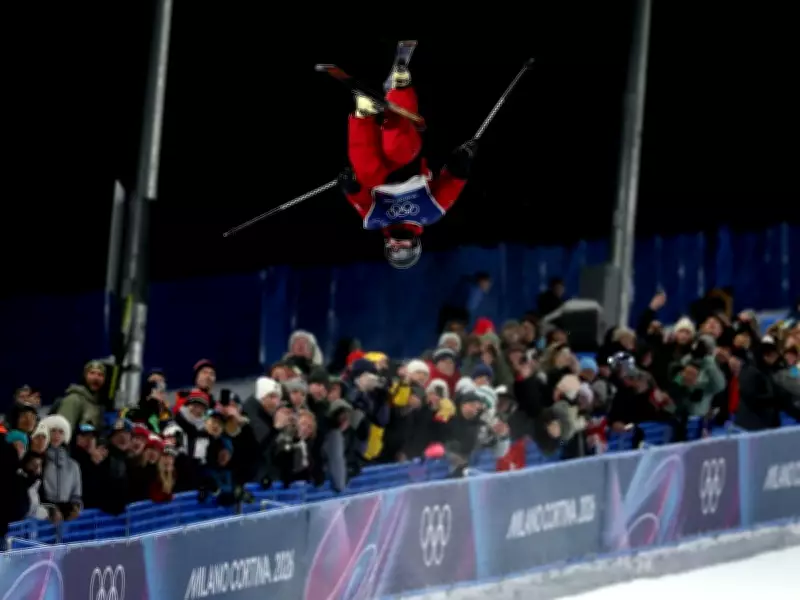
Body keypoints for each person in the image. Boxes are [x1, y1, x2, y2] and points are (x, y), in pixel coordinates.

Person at [338, 58, 477, 269]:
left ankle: (364, 111)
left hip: (380, 174)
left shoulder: (375, 219)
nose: (398, 244)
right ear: (414, 243)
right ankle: (400, 88)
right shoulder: (430, 212)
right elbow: (452, 185)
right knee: (397, 148)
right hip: (408, 163)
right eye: (404, 247)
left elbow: (361, 199)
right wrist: (461, 164)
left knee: (364, 171)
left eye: (394, 248)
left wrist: (350, 186)